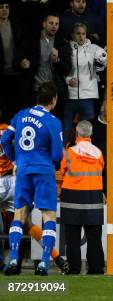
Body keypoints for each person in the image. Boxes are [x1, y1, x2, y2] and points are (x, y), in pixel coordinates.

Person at [1, 82, 64, 276]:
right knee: (48, 216)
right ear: (53, 100)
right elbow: (58, 153)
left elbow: (4, 140)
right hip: (43, 170)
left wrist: (15, 159)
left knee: (19, 215)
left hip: (23, 170)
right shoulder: (53, 121)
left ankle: (12, 258)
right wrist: (51, 164)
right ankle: (44, 263)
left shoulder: (20, 115)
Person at [59, 120, 105, 274]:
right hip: (94, 198)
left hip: (72, 198)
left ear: (77, 134)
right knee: (94, 238)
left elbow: (63, 170)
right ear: (91, 134)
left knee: (72, 238)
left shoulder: (68, 152)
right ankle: (96, 269)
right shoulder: (99, 153)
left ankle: (74, 269)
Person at [16, 12, 71, 107]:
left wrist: (57, 60)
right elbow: (17, 59)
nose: (54, 26)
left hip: (53, 92)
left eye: (56, 24)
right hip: (34, 91)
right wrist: (22, 62)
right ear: (44, 24)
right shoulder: (31, 40)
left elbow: (68, 68)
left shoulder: (62, 43)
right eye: (51, 23)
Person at [63, 22, 107, 141]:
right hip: (70, 96)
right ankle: (63, 155)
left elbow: (104, 59)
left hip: (87, 96)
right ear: (72, 35)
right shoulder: (66, 48)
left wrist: (103, 59)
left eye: (83, 33)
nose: (81, 36)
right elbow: (61, 70)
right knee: (65, 129)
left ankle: (86, 155)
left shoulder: (93, 48)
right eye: (78, 33)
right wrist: (68, 81)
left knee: (87, 131)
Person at [0, 0, 27, 123]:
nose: (4, 10)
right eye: (1, 7)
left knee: (15, 107)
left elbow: (22, 46)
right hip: (2, 74)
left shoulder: (16, 24)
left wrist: (22, 60)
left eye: (7, 7)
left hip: (16, 73)